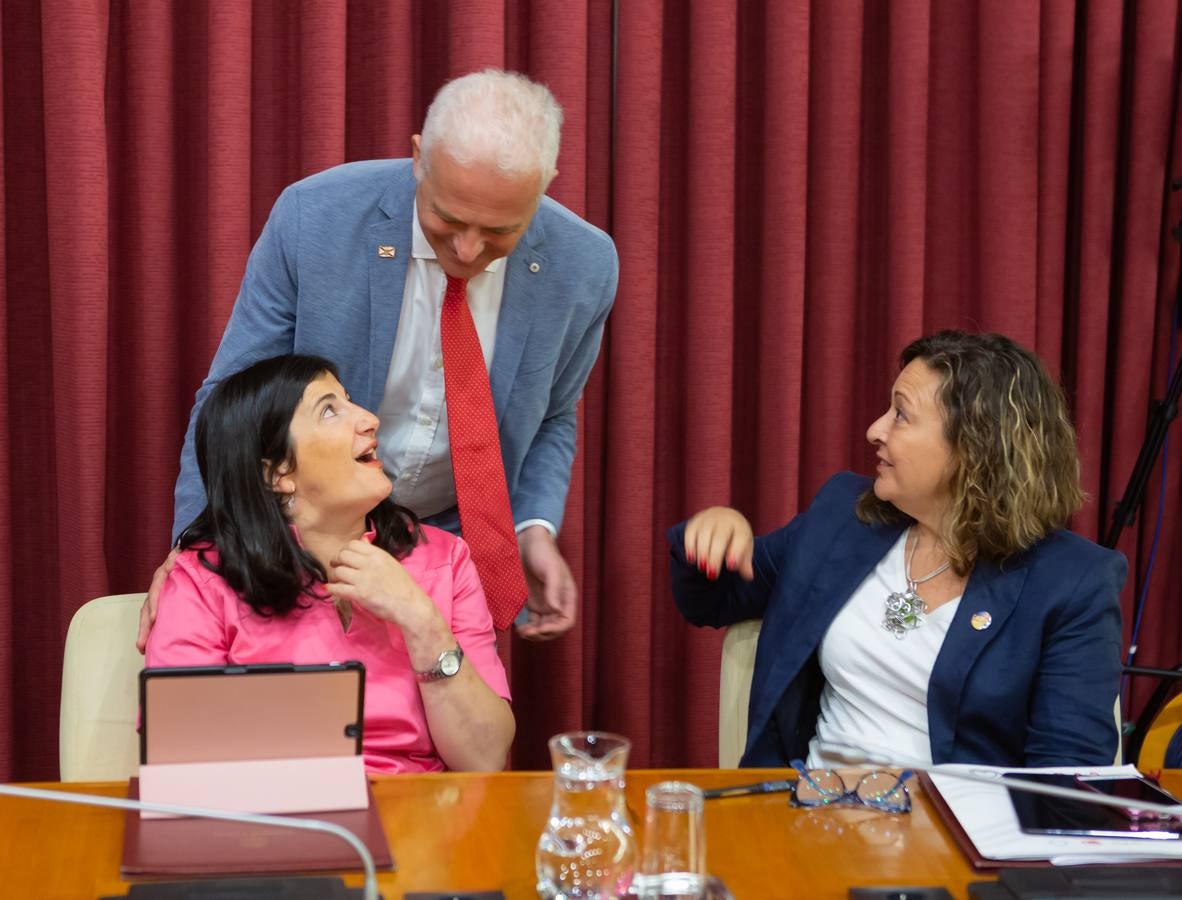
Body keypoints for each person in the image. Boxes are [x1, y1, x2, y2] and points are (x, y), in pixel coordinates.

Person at [137, 68, 618, 650]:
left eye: (498, 231)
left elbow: (551, 416)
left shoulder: (585, 267)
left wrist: (532, 526)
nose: (467, 250)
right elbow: (232, 397)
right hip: (304, 539)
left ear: (544, 186)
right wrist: (196, 549)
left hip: (451, 551)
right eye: (448, 219)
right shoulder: (316, 217)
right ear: (419, 158)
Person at [670, 331, 1125, 769]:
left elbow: (1067, 777)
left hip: (956, 838)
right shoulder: (843, 518)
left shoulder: (1072, 582)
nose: (875, 430)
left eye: (901, 415)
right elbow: (713, 599)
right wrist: (715, 534)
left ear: (973, 448)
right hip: (808, 816)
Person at [146, 354, 514, 773]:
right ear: (277, 472)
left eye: (350, 400)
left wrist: (421, 621)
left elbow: (485, 760)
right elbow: (180, 760)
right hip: (278, 824)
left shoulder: (445, 559)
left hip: (422, 821)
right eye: (329, 410)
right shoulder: (202, 581)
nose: (370, 419)